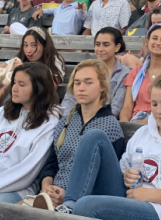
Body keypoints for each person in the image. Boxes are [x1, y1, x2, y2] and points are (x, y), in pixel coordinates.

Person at [72, 59, 161, 219]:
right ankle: (68, 206)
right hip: (129, 196)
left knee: (86, 206)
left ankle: (72, 209)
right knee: (94, 136)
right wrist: (126, 175)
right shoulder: (143, 133)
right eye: (154, 104)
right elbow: (123, 167)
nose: (158, 111)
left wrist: (150, 195)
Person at [29, 59, 125, 213]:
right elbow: (51, 165)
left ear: (102, 86)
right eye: (77, 83)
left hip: (83, 200)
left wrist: (67, 196)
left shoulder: (111, 128)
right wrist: (47, 187)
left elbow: (108, 179)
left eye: (88, 83)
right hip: (53, 195)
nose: (81, 88)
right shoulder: (65, 123)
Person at [0, 63, 61, 204]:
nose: (14, 89)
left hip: (17, 189)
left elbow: (27, 171)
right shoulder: (4, 112)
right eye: (14, 82)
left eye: (22, 84)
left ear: (38, 89)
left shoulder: (49, 122)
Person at [61, 27, 129, 118]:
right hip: (76, 119)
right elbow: (69, 99)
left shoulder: (124, 74)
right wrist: (68, 119)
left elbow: (116, 107)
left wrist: (92, 120)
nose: (100, 49)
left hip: (104, 121)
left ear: (117, 47)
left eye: (106, 45)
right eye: (97, 44)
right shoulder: (84, 68)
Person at [120, 24, 161, 122]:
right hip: (135, 122)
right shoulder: (136, 72)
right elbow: (127, 106)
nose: (158, 43)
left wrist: (143, 123)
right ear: (147, 42)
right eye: (154, 38)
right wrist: (125, 123)